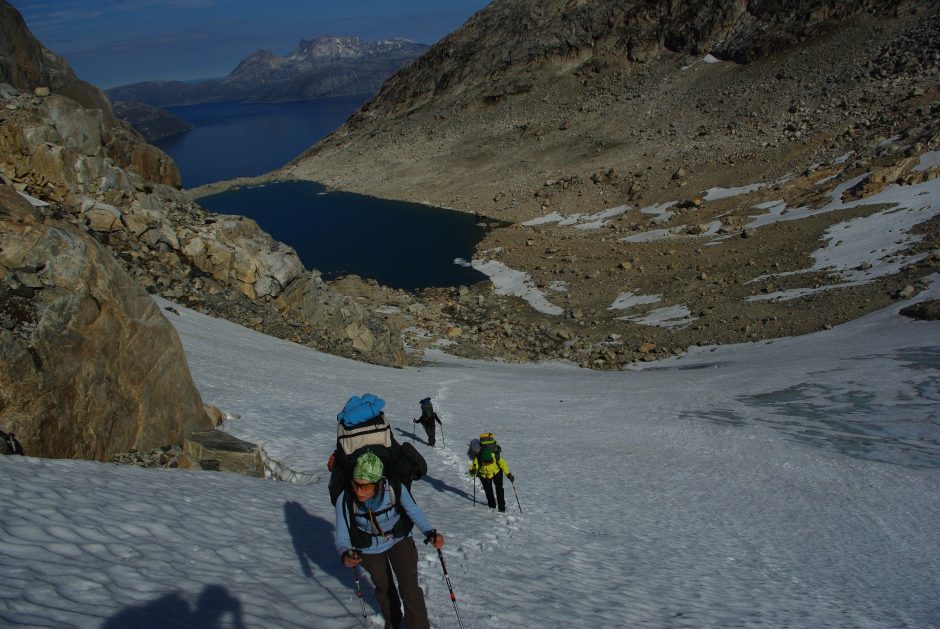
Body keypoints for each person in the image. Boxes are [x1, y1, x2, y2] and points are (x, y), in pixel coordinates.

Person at [335, 451, 445, 629]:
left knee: (410, 589)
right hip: (369, 546)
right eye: (355, 484)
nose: (358, 491)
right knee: (383, 588)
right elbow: (342, 533)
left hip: (398, 538)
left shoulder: (394, 488)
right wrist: (345, 553)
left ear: (378, 483)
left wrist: (430, 533)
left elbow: (413, 511)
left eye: (365, 486)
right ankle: (394, 622)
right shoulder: (345, 498)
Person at [469, 445, 513, 512]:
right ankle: (492, 507)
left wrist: (508, 475)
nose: (489, 463)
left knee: (499, 490)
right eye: (487, 462)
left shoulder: (495, 457)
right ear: (483, 459)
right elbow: (471, 471)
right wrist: (473, 471)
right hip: (484, 476)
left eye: (491, 461)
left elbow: (504, 465)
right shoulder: (477, 459)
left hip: (497, 473)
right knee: (488, 491)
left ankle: (502, 508)